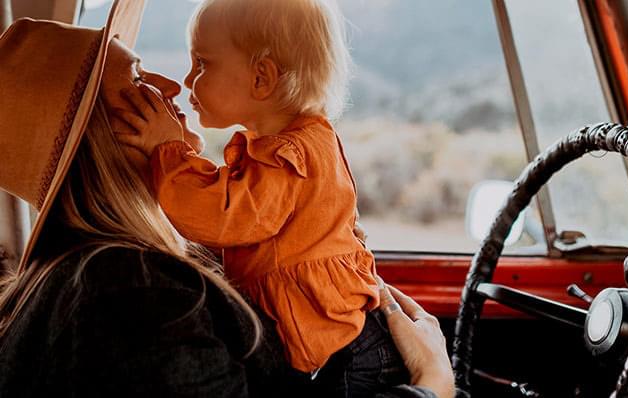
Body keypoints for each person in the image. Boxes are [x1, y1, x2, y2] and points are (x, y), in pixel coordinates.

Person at [0, 1, 455, 397]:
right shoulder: (133, 295)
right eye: (138, 78)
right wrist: (431, 385)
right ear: (98, 135)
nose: (174, 86)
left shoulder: (107, 272)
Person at [114, 0, 411, 395]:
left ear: (261, 78)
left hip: (346, 351)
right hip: (340, 340)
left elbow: (223, 215)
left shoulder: (287, 158)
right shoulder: (299, 143)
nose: (187, 81)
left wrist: (166, 149)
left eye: (201, 63)